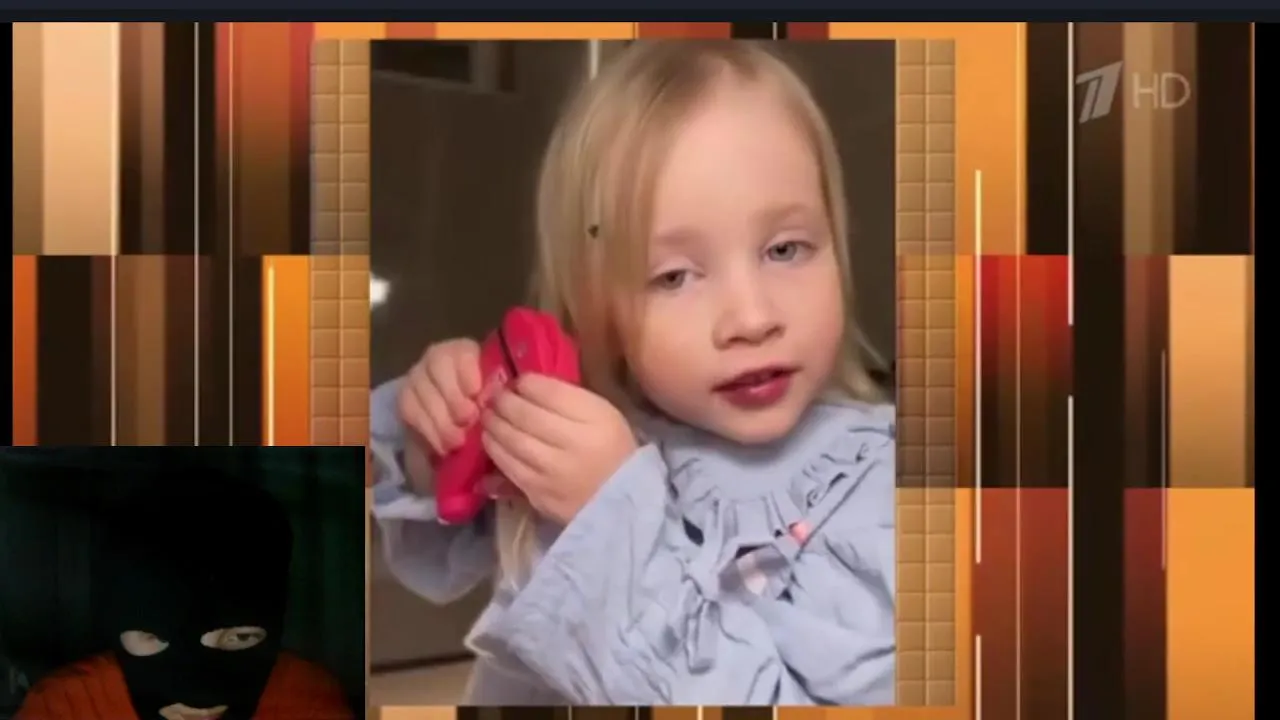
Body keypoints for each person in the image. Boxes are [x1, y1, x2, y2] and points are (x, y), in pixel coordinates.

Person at [370, 40, 895, 706]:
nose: (752, 317)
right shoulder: (586, 425)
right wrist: (440, 434)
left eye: (786, 249)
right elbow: (443, 544)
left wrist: (612, 526)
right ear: (596, 305)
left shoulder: (883, 488)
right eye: (673, 276)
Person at [16, 475, 353, 720]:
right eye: (154, 636)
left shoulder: (309, 702)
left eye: (239, 637)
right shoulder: (64, 709)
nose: (199, 695)